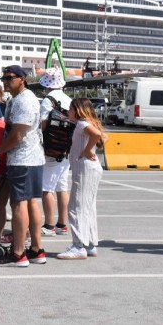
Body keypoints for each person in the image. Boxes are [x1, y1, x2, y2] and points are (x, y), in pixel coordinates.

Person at [0, 65, 45, 267]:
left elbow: (17, 135)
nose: (5, 81)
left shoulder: (24, 101)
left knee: (18, 204)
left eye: (10, 77)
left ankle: (18, 253)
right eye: (3, 78)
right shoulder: (19, 99)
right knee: (31, 203)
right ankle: (36, 250)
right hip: (31, 158)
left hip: (23, 159)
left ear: (22, 79)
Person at [56, 98, 106, 260]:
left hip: (85, 169)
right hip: (91, 169)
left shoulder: (82, 124)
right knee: (88, 206)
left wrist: (86, 150)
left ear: (78, 109)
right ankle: (90, 244)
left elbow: (98, 135)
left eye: (70, 108)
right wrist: (89, 148)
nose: (67, 111)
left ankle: (78, 246)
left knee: (76, 207)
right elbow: (104, 137)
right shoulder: (88, 122)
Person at [38, 67, 73, 236]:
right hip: (65, 148)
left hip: (50, 149)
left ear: (47, 84)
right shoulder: (68, 99)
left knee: (47, 188)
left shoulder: (48, 100)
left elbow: (43, 124)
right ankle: (62, 224)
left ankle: (49, 225)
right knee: (62, 187)